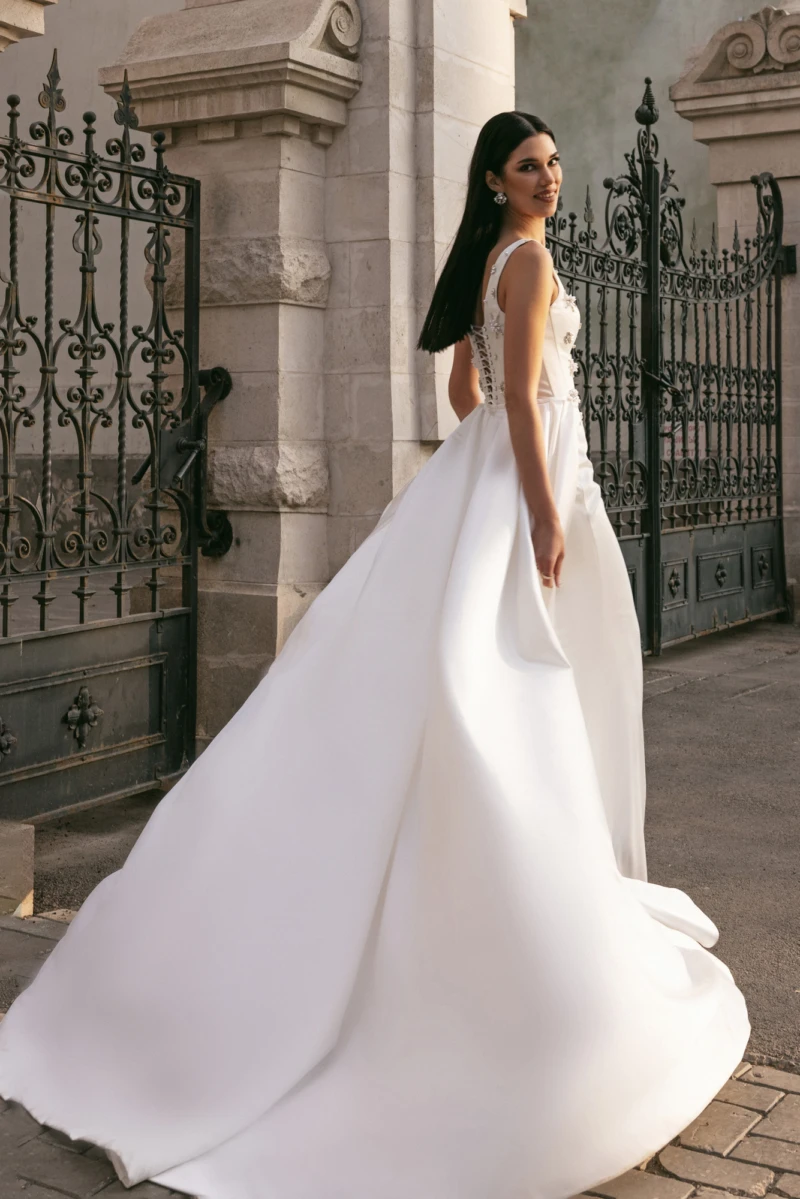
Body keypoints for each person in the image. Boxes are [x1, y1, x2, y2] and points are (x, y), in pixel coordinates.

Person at [0, 111, 749, 1199]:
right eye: (529, 165)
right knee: (508, 687)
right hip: (522, 490)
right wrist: (543, 517)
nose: (548, 178)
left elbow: (464, 396)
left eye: (552, 162)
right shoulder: (528, 261)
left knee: (440, 682)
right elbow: (530, 407)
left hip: (470, 482)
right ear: (495, 179)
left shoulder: (481, 260)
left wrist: (500, 446)